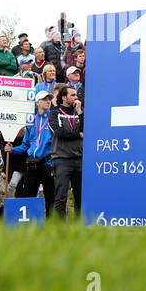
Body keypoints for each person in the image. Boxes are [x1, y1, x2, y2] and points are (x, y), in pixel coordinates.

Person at [14, 91, 56, 213]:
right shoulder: (31, 120)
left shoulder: (52, 118)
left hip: (48, 164)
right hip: (31, 164)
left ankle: (51, 224)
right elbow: (25, 145)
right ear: (37, 102)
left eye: (49, 99)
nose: (48, 101)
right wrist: (11, 150)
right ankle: (29, 224)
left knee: (50, 197)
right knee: (28, 195)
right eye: (44, 99)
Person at [50, 84, 83, 219]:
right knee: (61, 196)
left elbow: (88, 129)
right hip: (61, 159)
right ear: (64, 97)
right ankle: (60, 227)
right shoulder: (54, 113)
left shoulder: (79, 113)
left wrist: (80, 112)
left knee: (80, 196)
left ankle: (79, 226)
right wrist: (77, 134)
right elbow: (59, 132)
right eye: (73, 95)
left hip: (79, 159)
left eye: (76, 95)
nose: (76, 97)